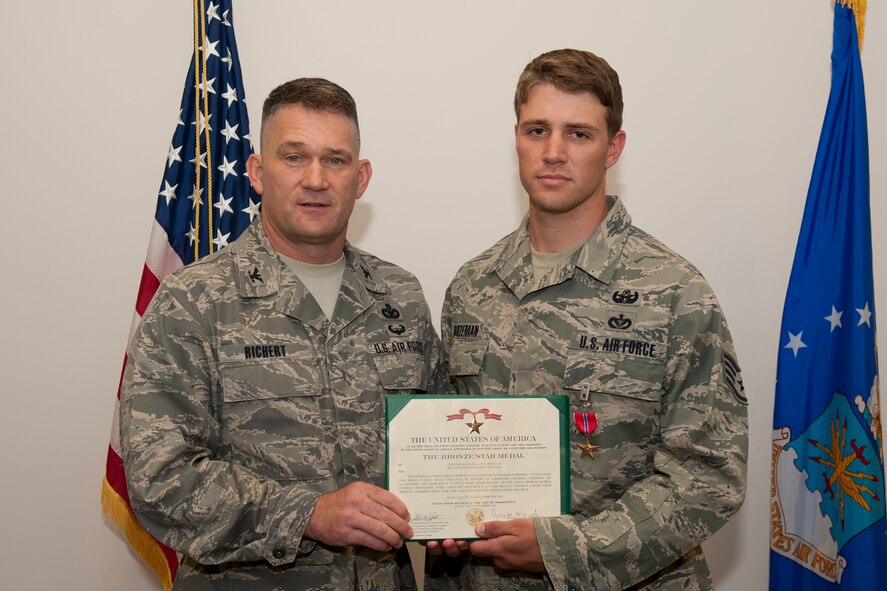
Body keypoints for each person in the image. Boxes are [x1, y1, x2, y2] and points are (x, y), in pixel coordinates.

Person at [432, 49, 748, 590]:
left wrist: (565, 549)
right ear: (516, 139)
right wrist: (441, 514)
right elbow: (448, 443)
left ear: (613, 148)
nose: (553, 152)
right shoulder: (472, 286)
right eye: (537, 130)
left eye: (578, 134)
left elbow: (708, 475)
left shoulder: (673, 292)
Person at [120, 78, 444, 590]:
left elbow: (442, 442)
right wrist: (308, 513)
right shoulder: (194, 301)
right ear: (256, 171)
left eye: (335, 160)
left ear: (361, 178)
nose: (315, 179)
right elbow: (159, 480)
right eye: (294, 157)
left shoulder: (398, 296)